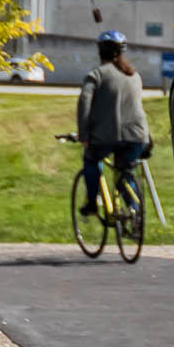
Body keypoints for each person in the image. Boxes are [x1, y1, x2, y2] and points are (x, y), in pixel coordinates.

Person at [75, 26, 150, 222]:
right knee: (124, 172)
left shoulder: (96, 75)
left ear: (100, 51)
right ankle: (134, 210)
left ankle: (92, 203)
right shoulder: (134, 75)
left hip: (106, 137)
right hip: (138, 136)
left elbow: (84, 103)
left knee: (91, 160)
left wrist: (83, 134)